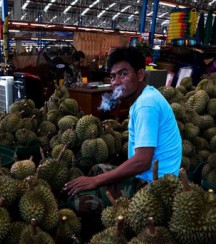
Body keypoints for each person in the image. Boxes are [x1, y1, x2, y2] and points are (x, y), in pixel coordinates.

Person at [64, 46, 182, 213]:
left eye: (123, 74)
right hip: (147, 176)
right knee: (95, 169)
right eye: (113, 76)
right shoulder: (146, 96)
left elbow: (142, 161)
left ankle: (113, 228)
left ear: (140, 75)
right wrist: (97, 178)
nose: (116, 81)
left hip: (154, 186)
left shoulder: (146, 105)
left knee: (78, 200)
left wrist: (96, 181)